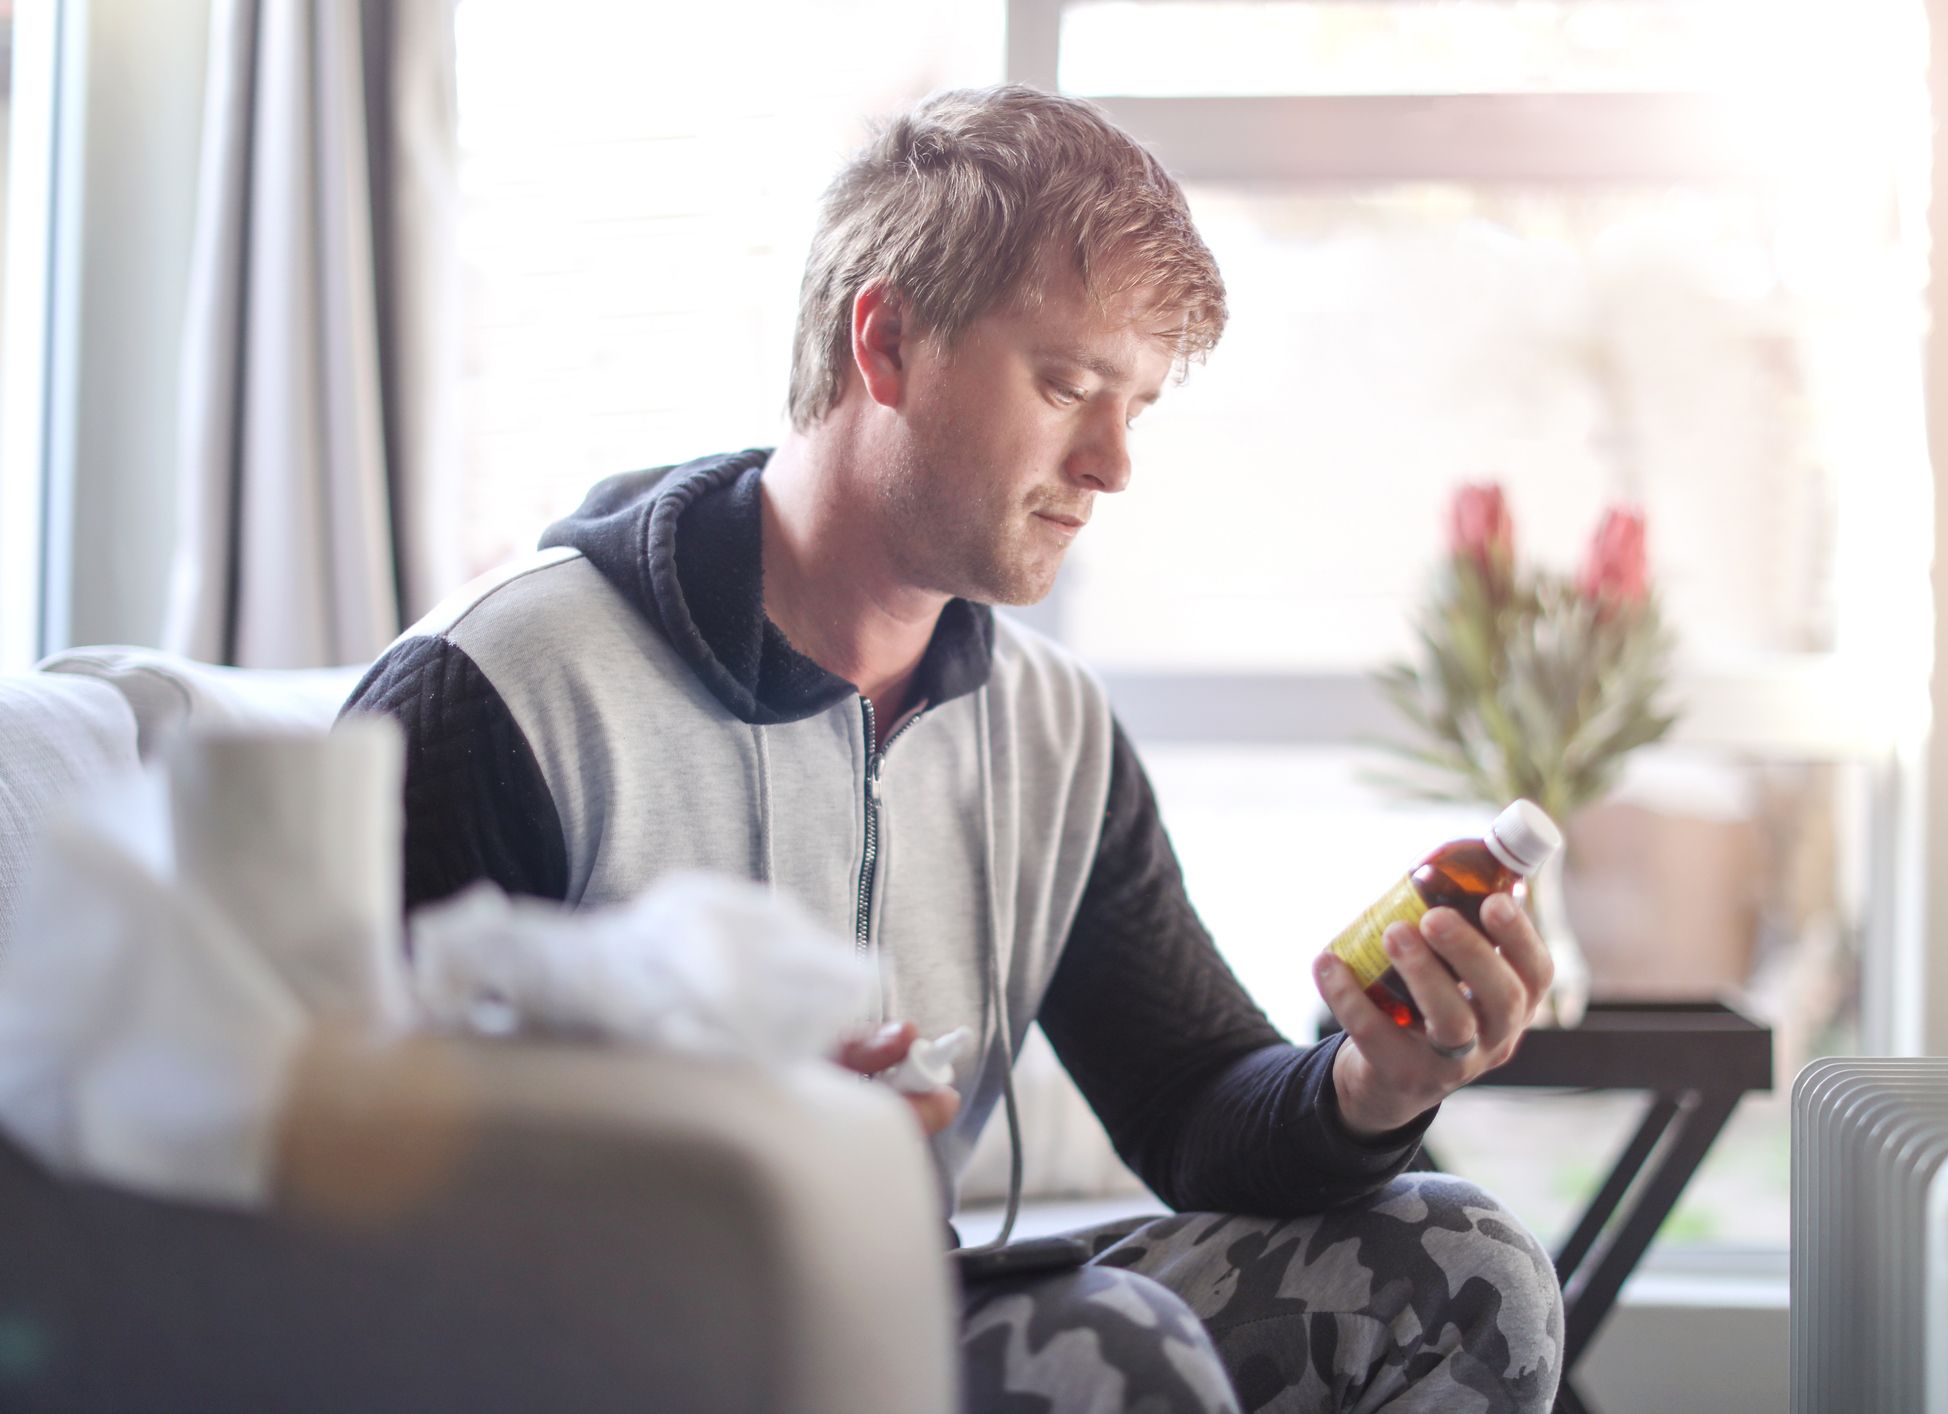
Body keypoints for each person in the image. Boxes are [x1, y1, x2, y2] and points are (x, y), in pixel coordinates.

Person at [344, 84, 1564, 1413]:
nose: (1109, 465)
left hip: (897, 1327)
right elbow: (342, 1180)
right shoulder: (497, 695)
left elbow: (1194, 1103)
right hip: (608, 1350)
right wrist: (720, 1142)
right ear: (885, 341)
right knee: (1109, 1345)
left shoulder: (1050, 731)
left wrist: (1367, 1083)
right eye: (1065, 385)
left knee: (1469, 1261)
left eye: (1135, 408)